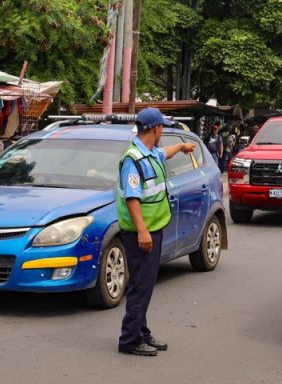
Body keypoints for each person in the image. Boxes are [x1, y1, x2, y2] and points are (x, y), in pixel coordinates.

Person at [117, 107, 195, 357]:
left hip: (154, 229)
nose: (163, 131)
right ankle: (129, 340)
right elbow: (132, 198)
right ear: (156, 129)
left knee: (146, 285)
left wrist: (182, 148)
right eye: (162, 127)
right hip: (142, 233)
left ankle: (142, 333)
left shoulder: (149, 152)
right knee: (140, 286)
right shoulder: (134, 159)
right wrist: (142, 231)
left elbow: (164, 153)